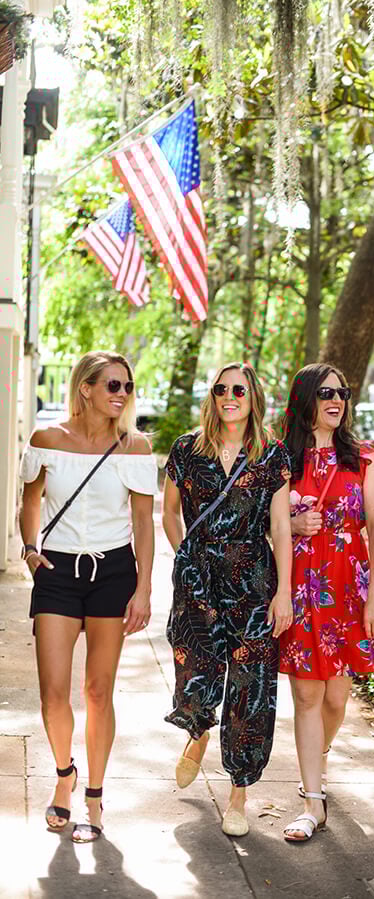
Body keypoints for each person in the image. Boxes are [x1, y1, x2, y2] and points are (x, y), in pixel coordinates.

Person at [19, 351, 158, 843]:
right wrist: (31, 548)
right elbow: (30, 500)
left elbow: (144, 522)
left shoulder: (136, 447)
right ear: (86, 389)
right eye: (112, 385)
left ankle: (94, 796)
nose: (121, 394)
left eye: (126, 386)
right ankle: (64, 775)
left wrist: (143, 587)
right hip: (57, 572)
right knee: (53, 693)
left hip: (113, 573)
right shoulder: (47, 441)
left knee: (98, 691)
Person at [162, 361, 292, 838]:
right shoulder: (186, 450)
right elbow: (170, 513)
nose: (229, 396)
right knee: (195, 663)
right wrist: (185, 559)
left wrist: (284, 592)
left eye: (239, 389)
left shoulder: (272, 455)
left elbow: (280, 527)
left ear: (253, 396)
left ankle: (238, 793)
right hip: (198, 577)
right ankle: (197, 730)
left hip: (255, 579)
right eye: (221, 389)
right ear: (212, 397)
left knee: (251, 685)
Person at [278, 362, 374, 842]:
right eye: (326, 392)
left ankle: (316, 760)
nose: (336, 399)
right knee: (307, 693)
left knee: (337, 698)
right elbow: (264, 521)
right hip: (301, 584)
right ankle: (312, 801)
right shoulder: (281, 458)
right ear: (305, 399)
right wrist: (288, 526)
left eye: (342, 391)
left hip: (347, 588)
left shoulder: (364, 458)